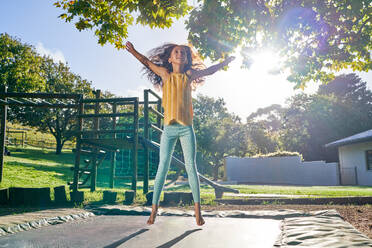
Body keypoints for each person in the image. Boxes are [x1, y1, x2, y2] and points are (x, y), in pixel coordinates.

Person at [125, 41, 235, 226]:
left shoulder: (189, 75)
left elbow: (209, 71)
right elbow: (146, 61)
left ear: (186, 59)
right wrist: (133, 51)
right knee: (162, 168)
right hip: (169, 129)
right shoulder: (164, 74)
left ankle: (198, 213)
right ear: (170, 58)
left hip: (186, 128)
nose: (180, 54)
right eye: (176, 52)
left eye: (184, 52)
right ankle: (153, 212)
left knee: (191, 167)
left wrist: (224, 63)